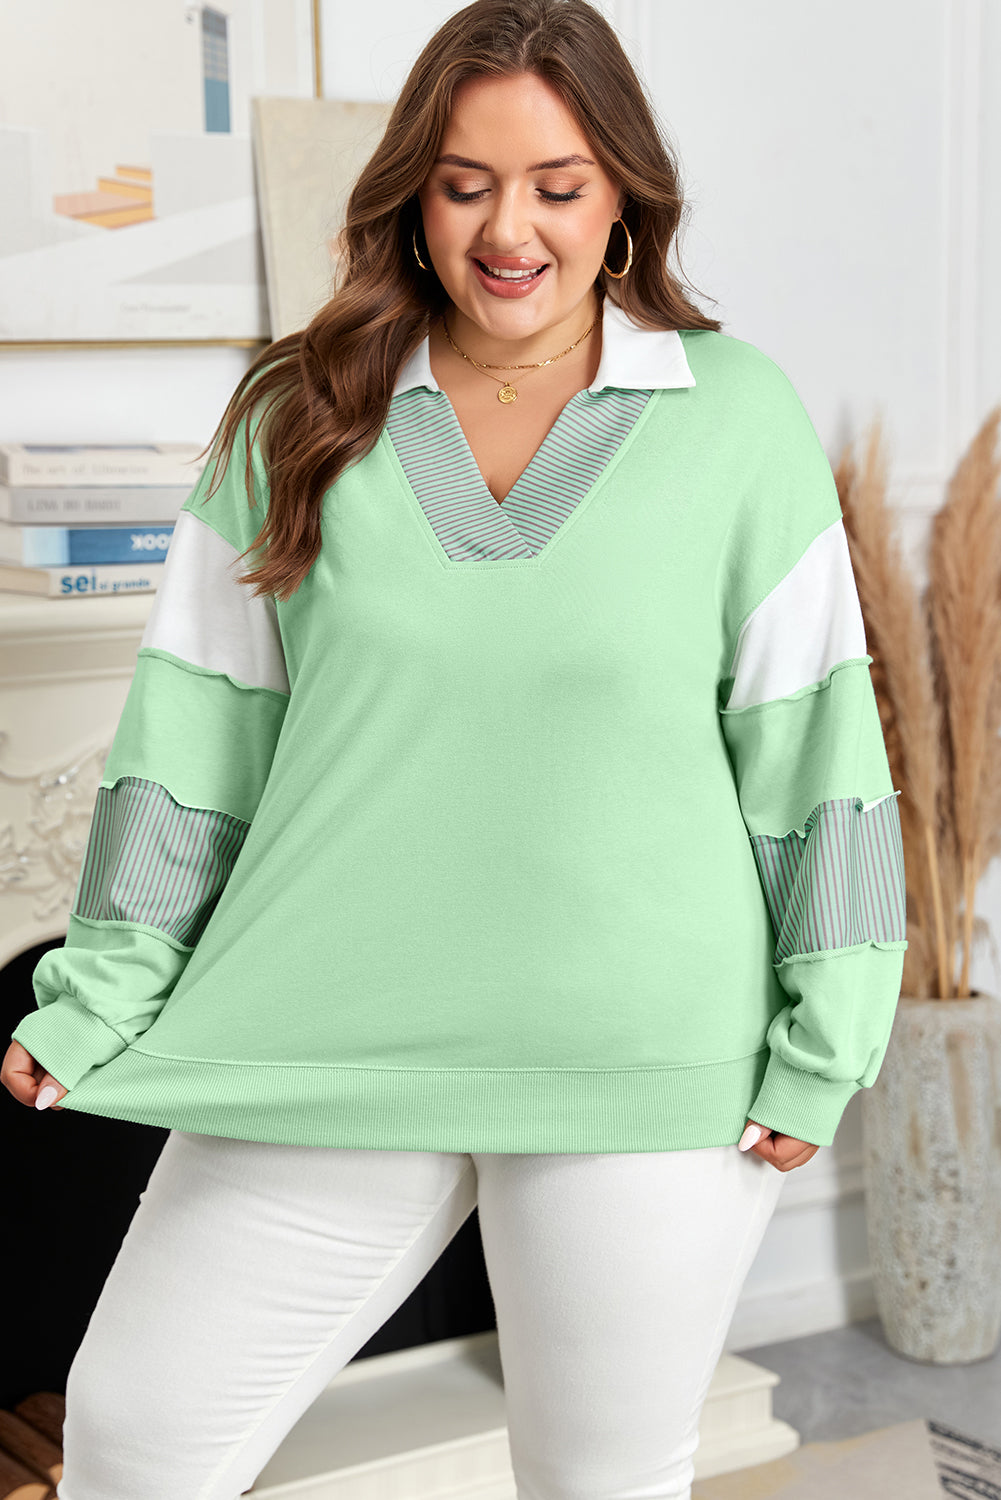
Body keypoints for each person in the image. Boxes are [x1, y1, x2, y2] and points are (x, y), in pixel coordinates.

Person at [2, 2, 907, 1496]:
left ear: (621, 197)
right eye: (465, 183)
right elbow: (195, 738)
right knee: (136, 1437)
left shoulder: (738, 418)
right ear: (412, 199)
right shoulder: (298, 412)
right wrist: (102, 987)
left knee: (597, 1480)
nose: (509, 229)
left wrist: (829, 1042)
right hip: (325, 1027)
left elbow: (819, 751)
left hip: (645, 1060)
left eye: (556, 184)